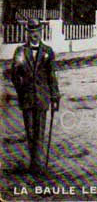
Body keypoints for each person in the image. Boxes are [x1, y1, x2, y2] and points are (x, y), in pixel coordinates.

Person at [10, 19, 60, 174]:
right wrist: (21, 89)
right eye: (31, 32)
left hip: (42, 98)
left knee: (40, 133)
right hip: (27, 98)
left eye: (37, 32)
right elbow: (14, 74)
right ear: (28, 33)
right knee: (30, 133)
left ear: (41, 32)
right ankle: (34, 163)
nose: (34, 35)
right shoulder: (20, 51)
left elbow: (51, 75)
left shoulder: (48, 51)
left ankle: (37, 164)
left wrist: (55, 96)